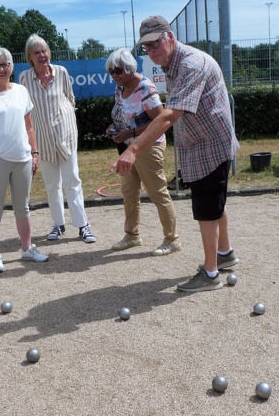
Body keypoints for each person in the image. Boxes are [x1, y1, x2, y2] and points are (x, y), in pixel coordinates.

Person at [114, 16, 241, 292]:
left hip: (210, 146)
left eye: (155, 43)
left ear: (169, 37)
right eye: (145, 47)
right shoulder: (174, 63)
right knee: (215, 203)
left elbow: (169, 114)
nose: (151, 50)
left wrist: (133, 149)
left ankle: (210, 274)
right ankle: (225, 254)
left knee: (206, 209)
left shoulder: (191, 64)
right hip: (202, 144)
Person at [0, 46, 49, 273]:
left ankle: (27, 247)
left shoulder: (21, 91)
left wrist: (34, 153)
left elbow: (29, 126)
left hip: (22, 157)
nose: (1, 69)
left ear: (11, 66)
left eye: (5, 64)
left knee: (23, 207)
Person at [17, 34, 96, 244]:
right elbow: (25, 110)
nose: (42, 55)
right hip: (42, 140)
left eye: (44, 51)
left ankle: (82, 225)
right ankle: (58, 224)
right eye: (37, 52)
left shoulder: (61, 72)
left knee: (73, 181)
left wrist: (65, 118)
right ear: (30, 57)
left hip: (66, 136)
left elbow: (70, 98)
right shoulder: (24, 78)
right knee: (52, 185)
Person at [105, 48, 180, 256]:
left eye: (117, 70)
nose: (114, 75)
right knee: (129, 192)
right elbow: (124, 115)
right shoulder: (120, 88)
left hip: (149, 146)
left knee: (157, 192)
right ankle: (132, 235)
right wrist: (115, 128)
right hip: (128, 146)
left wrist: (131, 131)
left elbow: (160, 120)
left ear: (129, 68)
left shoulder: (145, 88)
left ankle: (172, 239)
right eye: (110, 71)